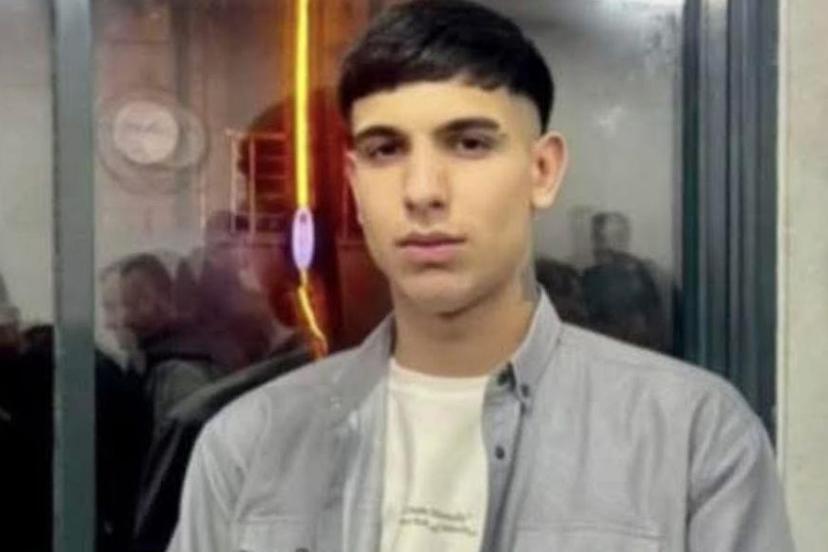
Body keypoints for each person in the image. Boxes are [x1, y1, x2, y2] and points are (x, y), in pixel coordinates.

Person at [168, 2, 794, 551]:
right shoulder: (248, 446)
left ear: (542, 171)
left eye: (468, 143)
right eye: (386, 150)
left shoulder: (689, 437)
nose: (422, 191)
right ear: (355, 186)